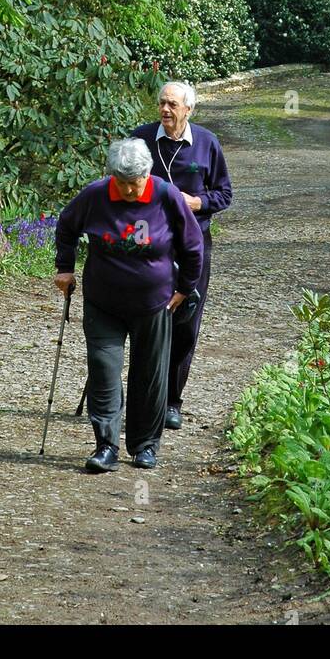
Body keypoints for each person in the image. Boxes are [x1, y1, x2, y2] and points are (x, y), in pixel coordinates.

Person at [54, 137, 203, 472]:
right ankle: (105, 446)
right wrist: (64, 267)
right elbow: (66, 226)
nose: (128, 191)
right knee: (104, 371)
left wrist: (185, 287)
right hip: (103, 303)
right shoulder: (96, 194)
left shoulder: (165, 195)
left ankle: (144, 446)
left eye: (134, 184)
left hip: (155, 304)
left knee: (148, 376)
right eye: (120, 183)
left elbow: (193, 245)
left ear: (146, 175)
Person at [129, 80, 232, 429]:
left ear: (189, 109)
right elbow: (119, 183)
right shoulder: (141, 139)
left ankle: (172, 400)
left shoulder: (206, 143)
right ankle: (143, 397)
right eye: (162, 103)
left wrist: (197, 202)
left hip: (193, 245)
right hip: (148, 245)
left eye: (173, 104)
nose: (166, 110)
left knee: (185, 321)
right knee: (145, 320)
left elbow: (224, 194)